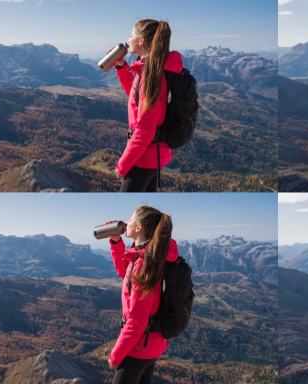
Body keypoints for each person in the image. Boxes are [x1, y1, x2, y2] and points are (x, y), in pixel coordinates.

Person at [105, 205, 179, 383]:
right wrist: (116, 241)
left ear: (138, 227)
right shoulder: (148, 255)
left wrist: (115, 356)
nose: (126, 222)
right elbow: (126, 273)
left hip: (139, 347)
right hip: (151, 344)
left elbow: (137, 321)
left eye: (130, 220)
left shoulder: (144, 263)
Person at [113, 19, 184, 192]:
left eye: (131, 36)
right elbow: (137, 96)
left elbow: (145, 130)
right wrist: (122, 68)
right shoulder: (150, 69)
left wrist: (122, 165)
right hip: (153, 155)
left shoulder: (150, 74)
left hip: (144, 158)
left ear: (141, 41)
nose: (128, 40)